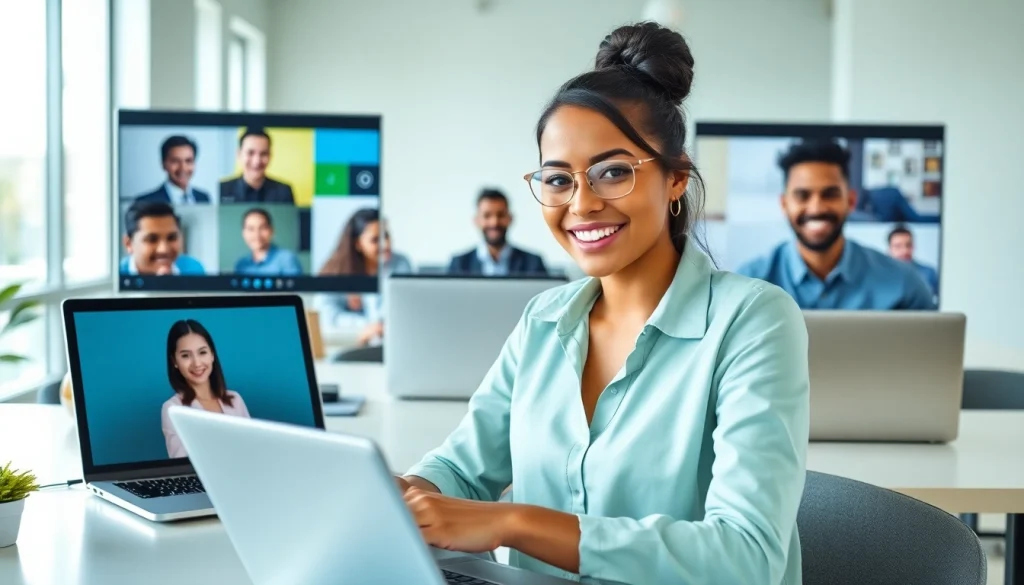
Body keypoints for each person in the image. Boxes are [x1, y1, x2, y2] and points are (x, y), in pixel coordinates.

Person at [397, 22, 809, 585]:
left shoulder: (753, 320)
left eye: (612, 172)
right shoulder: (544, 319)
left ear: (675, 180)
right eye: (558, 179)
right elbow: (462, 468)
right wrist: (407, 495)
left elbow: (746, 558)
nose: (581, 204)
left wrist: (513, 522)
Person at [736, 140, 935, 310]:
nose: (816, 208)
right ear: (784, 203)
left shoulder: (905, 284)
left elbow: (935, 353)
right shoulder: (747, 285)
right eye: (802, 196)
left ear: (851, 201)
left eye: (830, 194)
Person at [316, 208, 411, 346]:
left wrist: (377, 326)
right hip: (346, 342)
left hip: (389, 342)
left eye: (386, 235)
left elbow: (400, 310)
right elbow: (327, 316)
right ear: (358, 244)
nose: (386, 244)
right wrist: (367, 326)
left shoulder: (400, 263)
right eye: (375, 240)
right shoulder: (335, 269)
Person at [160, 319, 250, 458]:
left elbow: (252, 450)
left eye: (202, 352)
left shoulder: (235, 400)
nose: (197, 363)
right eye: (185, 356)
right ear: (175, 362)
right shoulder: (173, 409)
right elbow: (182, 461)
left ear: (212, 354)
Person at [448, 189, 548, 276]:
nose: (494, 222)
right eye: (487, 216)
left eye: (500, 215)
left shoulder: (533, 263)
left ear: (510, 218)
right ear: (476, 220)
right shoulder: (459, 264)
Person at [119, 201, 205, 276]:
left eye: (172, 238)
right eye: (151, 240)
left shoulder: (194, 269)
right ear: (129, 244)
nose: (163, 249)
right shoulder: (116, 276)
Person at [219, 128, 295, 204]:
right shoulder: (222, 190)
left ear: (270, 156)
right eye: (250, 153)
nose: (257, 161)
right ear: (239, 154)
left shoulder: (283, 192)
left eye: (263, 154)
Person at [134, 135, 211, 204]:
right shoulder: (145, 202)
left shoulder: (204, 198)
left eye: (188, 161)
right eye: (175, 161)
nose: (183, 168)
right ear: (163, 165)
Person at [233, 208, 303, 276]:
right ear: (243, 233)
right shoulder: (241, 265)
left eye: (262, 228)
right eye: (251, 229)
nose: (257, 235)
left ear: (271, 230)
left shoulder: (287, 260)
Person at [888, 224, 939, 296]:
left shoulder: (929, 273)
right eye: (898, 246)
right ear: (890, 249)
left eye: (908, 245)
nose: (904, 251)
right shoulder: (881, 275)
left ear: (913, 247)